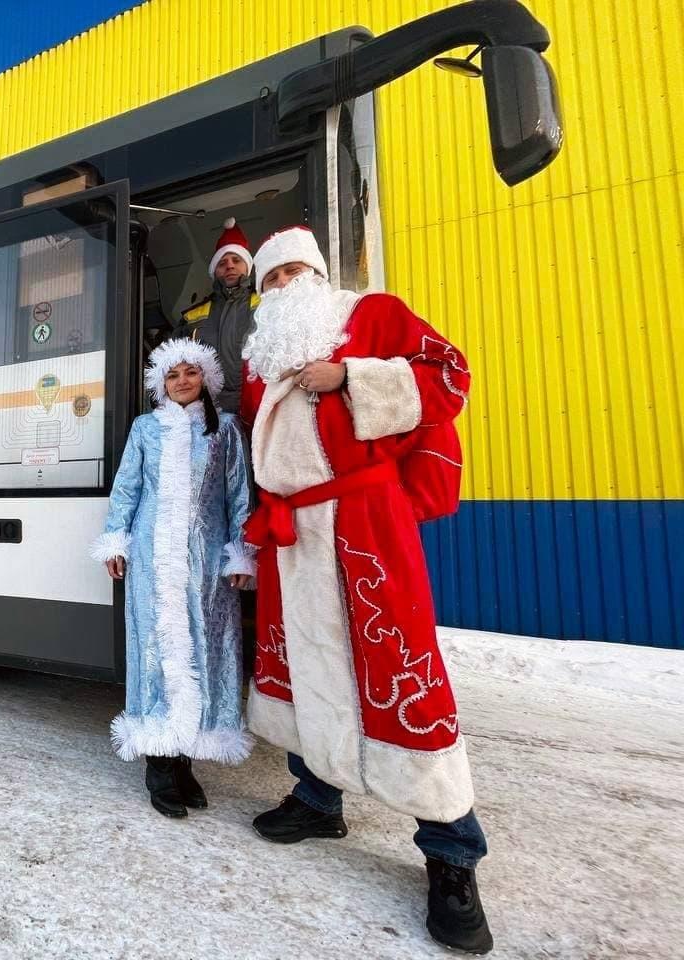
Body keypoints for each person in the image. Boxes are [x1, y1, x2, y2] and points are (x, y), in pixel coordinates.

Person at [237, 226, 493, 955]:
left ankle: (451, 853)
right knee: (307, 667)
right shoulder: (262, 359)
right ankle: (318, 798)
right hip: (295, 533)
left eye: (294, 270)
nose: (284, 285)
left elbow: (450, 377)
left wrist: (352, 377)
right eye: (271, 278)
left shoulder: (373, 315)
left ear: (318, 273)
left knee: (399, 669)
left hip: (364, 520)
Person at [91, 339, 256, 818]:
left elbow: (238, 496)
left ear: (205, 378)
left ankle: (185, 758)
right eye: (172, 375)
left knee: (204, 650)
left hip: (205, 564)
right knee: (157, 650)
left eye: (190, 373)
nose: (182, 381)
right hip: (151, 559)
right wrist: (115, 540)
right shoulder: (145, 429)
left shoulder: (225, 430)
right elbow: (127, 487)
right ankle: (159, 765)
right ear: (160, 384)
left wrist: (241, 554)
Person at [175, 216, 259, 413]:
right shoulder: (191, 317)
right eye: (222, 262)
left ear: (247, 266)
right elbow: (172, 369)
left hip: (257, 406)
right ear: (214, 271)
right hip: (207, 412)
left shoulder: (268, 304)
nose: (229, 265)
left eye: (236, 260)